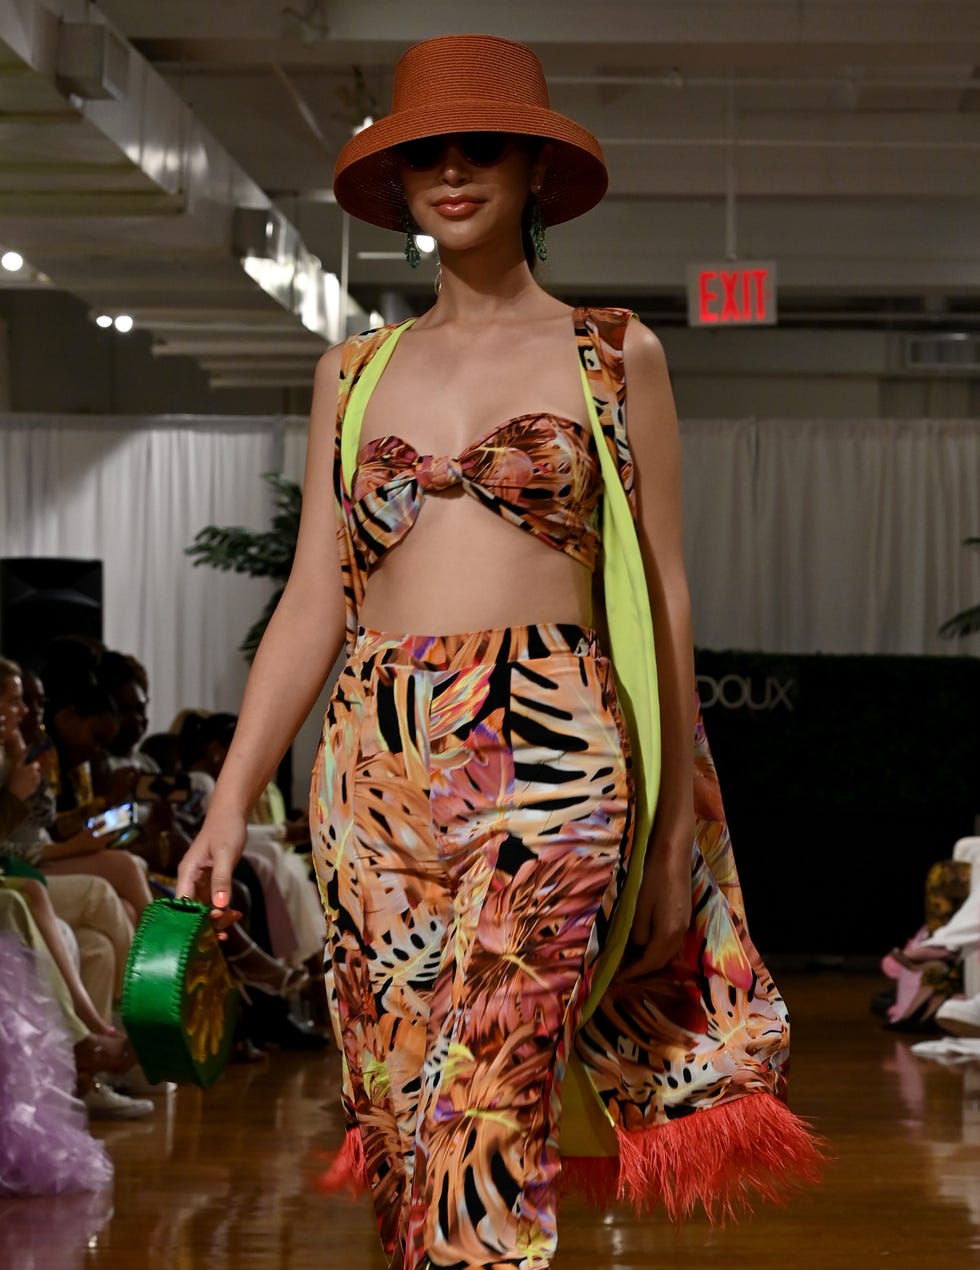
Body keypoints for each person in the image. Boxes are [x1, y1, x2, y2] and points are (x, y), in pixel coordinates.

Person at [177, 33, 823, 1270]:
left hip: (556, 746)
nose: (454, 172)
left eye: (483, 149)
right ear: (398, 185)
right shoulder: (351, 372)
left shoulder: (612, 354)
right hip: (373, 764)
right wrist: (231, 793)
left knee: (494, 1090)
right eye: (427, 155)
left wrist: (678, 834)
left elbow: (664, 591)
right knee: (402, 1100)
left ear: (534, 170)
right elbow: (313, 597)